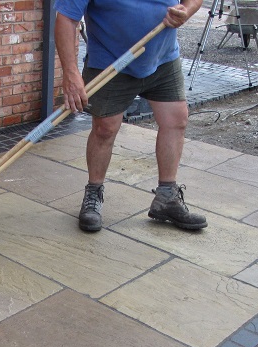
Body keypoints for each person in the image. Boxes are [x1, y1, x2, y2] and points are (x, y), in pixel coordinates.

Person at [55, 0, 206, 232]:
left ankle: (166, 197)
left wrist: (186, 10)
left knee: (176, 120)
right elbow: (66, 18)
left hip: (162, 57)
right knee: (104, 129)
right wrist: (71, 73)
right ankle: (93, 194)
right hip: (111, 63)